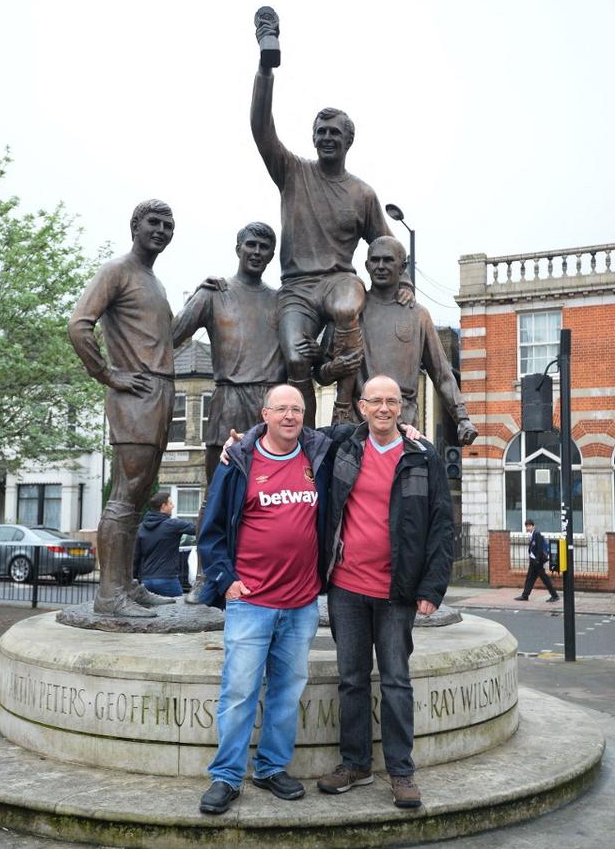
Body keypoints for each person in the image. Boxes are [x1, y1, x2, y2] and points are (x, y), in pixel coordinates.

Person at [197, 384, 344, 815]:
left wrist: (406, 428)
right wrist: (226, 580)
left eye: (297, 409)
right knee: (240, 691)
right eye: (281, 409)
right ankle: (225, 777)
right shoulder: (239, 460)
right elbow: (212, 527)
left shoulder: (317, 455)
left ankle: (271, 768)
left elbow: (362, 431)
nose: (290, 416)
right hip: (252, 601)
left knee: (285, 691)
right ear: (265, 413)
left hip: (300, 604)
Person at [251, 14, 402, 425]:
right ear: (313, 137)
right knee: (297, 358)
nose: (326, 138)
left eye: (334, 132)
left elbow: (385, 246)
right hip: (297, 287)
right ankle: (304, 437)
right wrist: (265, 67)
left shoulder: (362, 193)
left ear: (348, 140)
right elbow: (261, 130)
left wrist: (401, 286)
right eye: (321, 132)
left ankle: (344, 404)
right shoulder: (293, 172)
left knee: (346, 304)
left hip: (339, 280)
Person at [316, 375, 453, 809]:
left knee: (396, 681)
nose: (383, 409)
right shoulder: (343, 445)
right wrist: (241, 442)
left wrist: (432, 587)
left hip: (397, 592)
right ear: (361, 406)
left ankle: (401, 771)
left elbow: (440, 525)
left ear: (402, 407)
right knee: (352, 679)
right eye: (375, 401)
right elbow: (292, 432)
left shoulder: (421, 454)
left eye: (391, 401)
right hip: (346, 587)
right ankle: (355, 764)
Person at [69, 200, 177, 618]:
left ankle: (126, 584)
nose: (162, 229)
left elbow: (164, 340)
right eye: (155, 222)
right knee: (127, 493)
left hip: (159, 393)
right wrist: (108, 375)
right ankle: (109, 595)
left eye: (169, 224)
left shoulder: (153, 281)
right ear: (135, 225)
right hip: (135, 396)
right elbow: (79, 325)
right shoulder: (116, 270)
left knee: (140, 494)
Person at [303, 236, 478, 444]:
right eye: (375, 260)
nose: (380, 266)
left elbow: (442, 373)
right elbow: (321, 375)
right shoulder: (349, 312)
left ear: (402, 266)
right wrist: (335, 368)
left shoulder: (418, 315)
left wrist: (462, 418)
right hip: (356, 432)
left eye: (388, 260)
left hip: (404, 429)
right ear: (367, 265)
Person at [172, 222, 285, 483]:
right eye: (251, 245)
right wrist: (195, 296)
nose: (257, 252)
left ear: (271, 255)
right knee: (218, 492)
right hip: (229, 401)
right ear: (238, 249)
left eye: (264, 248)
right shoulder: (214, 293)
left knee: (270, 490)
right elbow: (173, 335)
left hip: (270, 401)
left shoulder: (281, 300)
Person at [132, 492, 195, 597]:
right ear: (163, 506)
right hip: (167, 580)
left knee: (152, 612)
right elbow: (199, 529)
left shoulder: (141, 528)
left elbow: (135, 557)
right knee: (177, 611)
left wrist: (136, 580)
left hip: (146, 581)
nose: (173, 506)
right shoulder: (173, 525)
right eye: (170, 503)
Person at [515, 519, 559, 602]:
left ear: (533, 526)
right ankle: (525, 595)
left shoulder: (537, 534)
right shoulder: (532, 535)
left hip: (537, 561)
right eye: (527, 526)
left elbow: (539, 548)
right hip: (533, 561)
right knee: (530, 578)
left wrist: (537, 560)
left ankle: (555, 595)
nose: (528, 528)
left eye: (529, 526)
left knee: (544, 578)